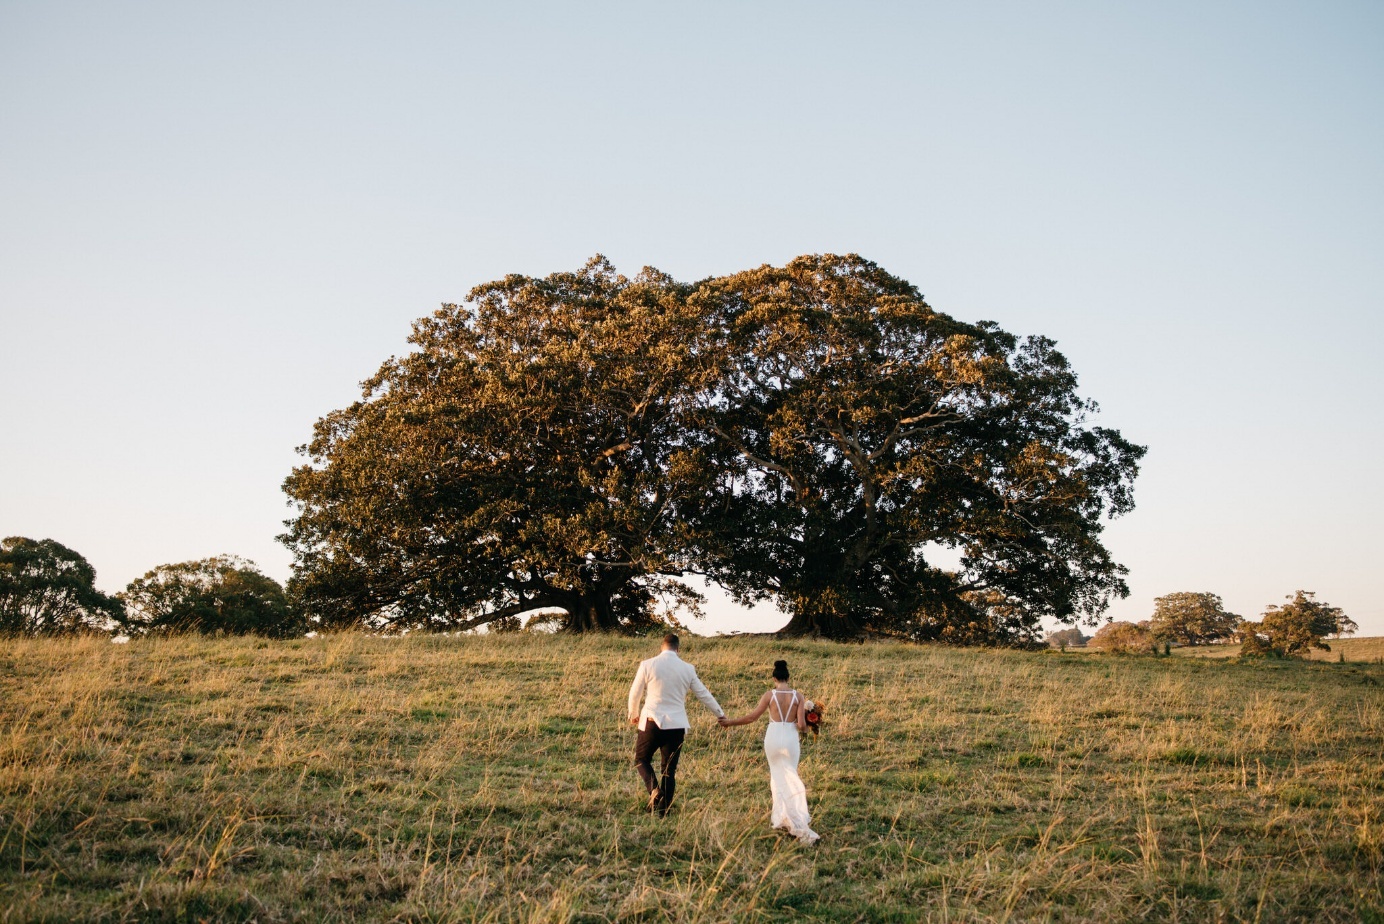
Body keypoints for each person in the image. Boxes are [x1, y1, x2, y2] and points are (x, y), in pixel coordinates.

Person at [720, 659, 820, 843]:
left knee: (777, 777)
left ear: (774, 678)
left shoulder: (769, 695)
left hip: (773, 738)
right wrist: (811, 723)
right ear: (788, 677)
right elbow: (801, 726)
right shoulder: (798, 696)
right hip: (790, 738)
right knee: (790, 775)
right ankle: (793, 818)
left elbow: (752, 717)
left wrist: (729, 722)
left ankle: (783, 818)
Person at [627, 633, 726, 816]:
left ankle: (654, 791)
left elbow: (635, 693)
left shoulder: (647, 664)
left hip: (651, 722)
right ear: (678, 649)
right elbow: (703, 694)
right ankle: (664, 811)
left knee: (641, 760)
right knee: (669, 770)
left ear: (661, 647)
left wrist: (633, 713)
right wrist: (720, 714)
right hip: (676, 725)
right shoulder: (687, 669)